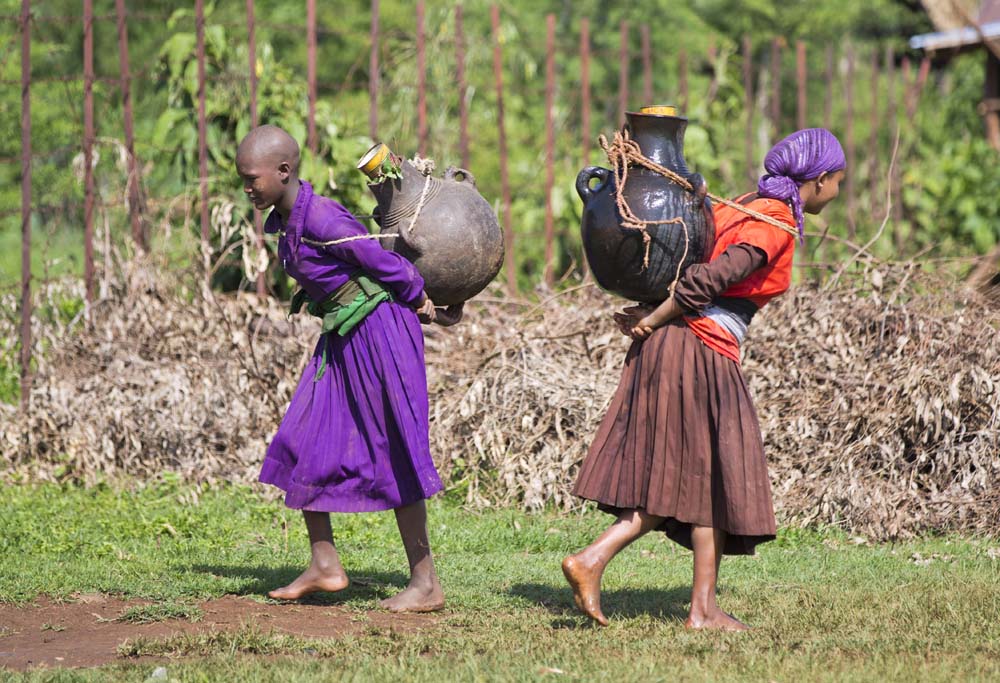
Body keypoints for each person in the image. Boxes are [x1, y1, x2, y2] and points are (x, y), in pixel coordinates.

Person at [562, 128, 846, 630]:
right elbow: (708, 279)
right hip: (698, 348)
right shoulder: (772, 223)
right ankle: (595, 559)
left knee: (704, 476)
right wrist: (652, 318)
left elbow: (680, 257)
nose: (839, 191)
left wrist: (652, 312)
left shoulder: (742, 206)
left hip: (676, 342)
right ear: (819, 180)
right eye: (839, 181)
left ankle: (701, 608)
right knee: (698, 476)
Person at [236, 124, 461, 613]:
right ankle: (325, 565)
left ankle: (426, 583)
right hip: (343, 337)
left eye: (252, 178)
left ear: (284, 171)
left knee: (395, 447)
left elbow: (380, 260)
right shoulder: (289, 217)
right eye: (243, 180)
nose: (247, 188)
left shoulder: (321, 218)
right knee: (303, 438)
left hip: (379, 334)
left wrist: (420, 300)